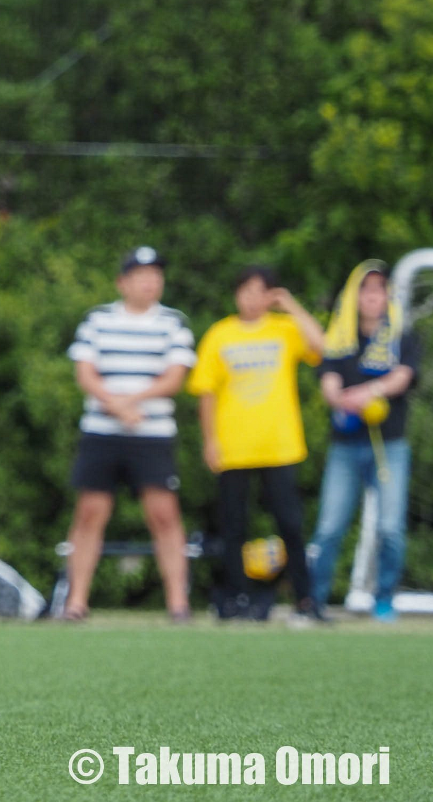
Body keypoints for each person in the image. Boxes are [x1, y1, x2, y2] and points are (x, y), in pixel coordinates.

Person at [62, 247, 196, 623]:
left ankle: (177, 604)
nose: (150, 281)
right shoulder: (98, 320)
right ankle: (76, 602)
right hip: (101, 432)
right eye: (141, 274)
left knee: (164, 514)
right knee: (90, 512)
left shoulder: (174, 323)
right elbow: (85, 373)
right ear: (123, 282)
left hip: (152, 434)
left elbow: (174, 377)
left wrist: (131, 400)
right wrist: (115, 405)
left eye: (156, 274)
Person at [187, 266, 326, 623]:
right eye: (245, 290)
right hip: (234, 448)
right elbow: (206, 393)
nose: (252, 297)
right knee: (233, 527)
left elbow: (322, 347)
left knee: (291, 525)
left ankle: (305, 601)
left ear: (270, 294)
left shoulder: (284, 329)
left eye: (260, 290)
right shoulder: (221, 334)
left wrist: (290, 305)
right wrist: (210, 441)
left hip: (279, 446)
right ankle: (238, 600)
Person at [309, 261, 420, 622]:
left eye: (379, 290)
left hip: (390, 446)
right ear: (356, 297)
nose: (373, 297)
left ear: (388, 295)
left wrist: (367, 392)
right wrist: (344, 400)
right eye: (366, 290)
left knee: (390, 527)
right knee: (329, 527)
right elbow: (329, 384)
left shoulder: (402, 334)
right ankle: (315, 601)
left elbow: (402, 377)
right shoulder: (340, 336)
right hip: (345, 446)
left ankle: (384, 599)